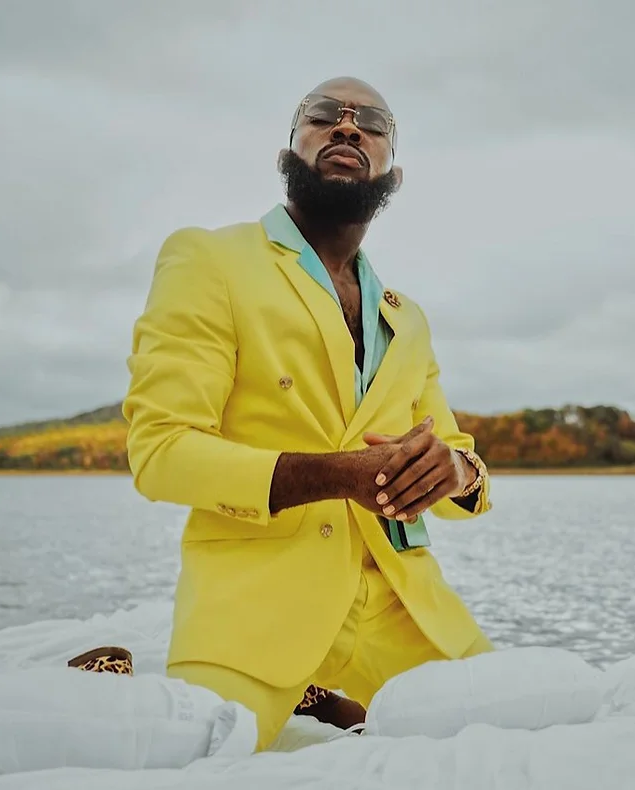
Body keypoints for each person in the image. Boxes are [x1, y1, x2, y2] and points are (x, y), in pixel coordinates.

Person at [122, 76, 493, 751]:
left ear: (392, 172)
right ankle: (308, 693)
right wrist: (343, 474)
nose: (348, 127)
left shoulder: (407, 320)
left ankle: (327, 700)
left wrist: (455, 472)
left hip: (406, 608)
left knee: (515, 744)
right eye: (325, 116)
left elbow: (462, 454)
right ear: (287, 153)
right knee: (190, 761)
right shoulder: (209, 259)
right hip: (254, 608)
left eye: (371, 123)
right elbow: (161, 452)